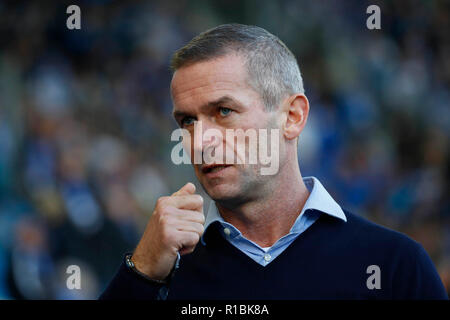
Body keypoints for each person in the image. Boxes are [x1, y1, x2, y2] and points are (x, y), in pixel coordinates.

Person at [99, 23, 447, 300]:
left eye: (223, 111)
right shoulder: (159, 272)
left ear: (292, 116)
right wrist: (140, 274)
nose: (199, 140)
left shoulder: (395, 266)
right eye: (187, 121)